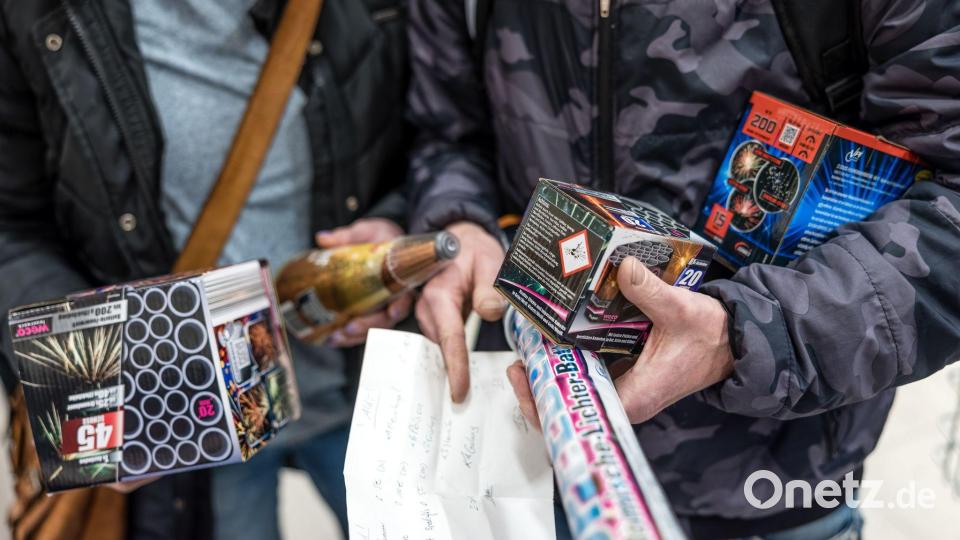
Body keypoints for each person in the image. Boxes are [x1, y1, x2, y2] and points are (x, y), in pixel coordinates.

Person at [407, 1, 960, 538]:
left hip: (771, 482)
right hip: (540, 464)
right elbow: (447, 129)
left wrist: (745, 335)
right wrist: (460, 224)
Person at [0, 1, 411, 539]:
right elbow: (11, 219)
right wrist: (85, 374)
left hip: (368, 378)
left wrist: (400, 224)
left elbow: (449, 122)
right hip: (184, 417)